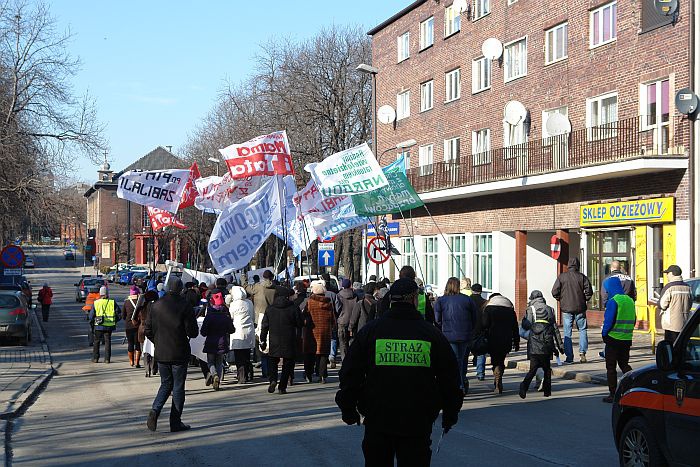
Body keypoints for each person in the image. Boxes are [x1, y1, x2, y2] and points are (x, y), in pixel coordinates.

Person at [335, 278, 463, 467]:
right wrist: (450, 412)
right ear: (414, 300)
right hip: (417, 421)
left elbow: (351, 373)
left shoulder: (371, 332)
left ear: (390, 301)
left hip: (378, 418)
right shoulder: (431, 334)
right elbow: (450, 378)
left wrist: (348, 407)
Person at [145, 278, 199, 432]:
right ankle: (175, 422)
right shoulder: (184, 305)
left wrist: (158, 341)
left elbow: (148, 329)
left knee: (165, 383)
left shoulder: (156, 305)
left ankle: (155, 410)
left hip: (161, 352)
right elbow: (193, 332)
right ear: (181, 289)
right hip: (179, 351)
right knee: (178, 387)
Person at [434, 277, 478, 393]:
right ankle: (462, 380)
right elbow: (475, 317)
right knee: (462, 359)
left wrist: (442, 329)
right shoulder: (467, 300)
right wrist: (471, 330)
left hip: (449, 335)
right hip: (465, 334)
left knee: (454, 360)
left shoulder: (441, 300)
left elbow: (437, 319)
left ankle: (459, 384)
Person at [519, 291, 564, 399]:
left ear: (532, 298)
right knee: (547, 369)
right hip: (546, 343)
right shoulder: (550, 309)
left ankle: (524, 386)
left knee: (533, 369)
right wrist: (560, 345)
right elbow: (555, 329)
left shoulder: (530, 309)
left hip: (534, 344)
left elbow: (526, 326)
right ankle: (547, 391)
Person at [260, 287, 302, 394]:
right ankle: (282, 386)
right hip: (289, 338)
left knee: (272, 360)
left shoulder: (270, 308)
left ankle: (273, 379)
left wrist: (262, 339)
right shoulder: (293, 308)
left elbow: (264, 325)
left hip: (274, 338)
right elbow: (300, 323)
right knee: (288, 363)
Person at [551, 257, 593, 363]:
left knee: (567, 333)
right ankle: (582, 353)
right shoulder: (582, 277)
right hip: (580, 308)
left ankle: (569, 357)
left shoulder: (562, 277)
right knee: (582, 330)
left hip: (566, 308)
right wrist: (584, 299)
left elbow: (554, 291)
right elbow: (589, 291)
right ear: (578, 265)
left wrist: (561, 299)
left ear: (569, 265)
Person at [601, 276, 635, 403]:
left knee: (611, 367)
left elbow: (608, 321)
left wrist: (604, 334)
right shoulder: (630, 300)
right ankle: (634, 384)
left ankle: (612, 393)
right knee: (624, 364)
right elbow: (634, 319)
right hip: (626, 338)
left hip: (613, 339)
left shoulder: (613, 301)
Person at [482, 294, 519, 394]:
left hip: (492, 338)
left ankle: (497, 376)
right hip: (506, 339)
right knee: (501, 359)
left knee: (495, 359)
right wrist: (516, 341)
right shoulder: (510, 310)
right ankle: (499, 377)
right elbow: (515, 327)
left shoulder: (489, 309)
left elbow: (484, 324)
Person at [242, 270, 277, 376]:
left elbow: (245, 287)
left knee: (260, 342)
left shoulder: (258, 287)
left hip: (259, 318)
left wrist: (243, 276)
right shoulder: (276, 288)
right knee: (272, 342)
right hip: (273, 317)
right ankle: (271, 368)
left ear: (263, 277)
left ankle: (264, 366)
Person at [200, 291, 235, 391]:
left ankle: (214, 374)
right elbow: (232, 330)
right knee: (219, 362)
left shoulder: (209, 316)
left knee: (210, 362)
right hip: (222, 342)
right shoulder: (225, 317)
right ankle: (218, 380)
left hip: (210, 342)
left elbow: (203, 332)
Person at [304, 282, 336, 383]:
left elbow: (305, 315)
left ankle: (309, 375)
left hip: (311, 332)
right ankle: (322, 375)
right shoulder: (328, 304)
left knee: (310, 354)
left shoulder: (310, 302)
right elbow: (333, 319)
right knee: (323, 354)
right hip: (325, 332)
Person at [226, 286, 255, 384]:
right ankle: (247, 374)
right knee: (247, 355)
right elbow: (253, 316)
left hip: (237, 332)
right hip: (249, 331)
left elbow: (231, 317)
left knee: (239, 357)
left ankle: (241, 377)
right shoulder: (249, 303)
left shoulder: (233, 305)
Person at [658, 264, 693, 343]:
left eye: (667, 273)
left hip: (671, 324)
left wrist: (658, 304)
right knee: (682, 344)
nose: (666, 275)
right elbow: (690, 304)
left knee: (670, 346)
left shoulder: (669, 287)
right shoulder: (688, 287)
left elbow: (662, 304)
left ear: (671, 274)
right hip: (685, 322)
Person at [88, 286, 121, 364]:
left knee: (96, 342)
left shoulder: (96, 303)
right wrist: (114, 321)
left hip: (98, 325)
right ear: (107, 294)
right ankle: (107, 359)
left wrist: (92, 324)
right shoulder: (112, 302)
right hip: (109, 326)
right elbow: (119, 314)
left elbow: (91, 316)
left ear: (100, 294)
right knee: (107, 342)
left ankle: (95, 358)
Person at [138, 285, 160, 377]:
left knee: (145, 350)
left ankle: (147, 369)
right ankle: (153, 367)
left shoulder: (142, 307)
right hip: (154, 330)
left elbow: (135, 318)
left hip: (142, 329)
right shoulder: (157, 307)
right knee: (154, 349)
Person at [337, 279, 358, 364]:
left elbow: (337, 308)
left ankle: (344, 360)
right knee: (352, 341)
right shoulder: (355, 295)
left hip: (342, 321)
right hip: (353, 320)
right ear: (350, 285)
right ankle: (352, 359)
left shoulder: (339, 296)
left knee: (342, 342)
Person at [469, 284, 488, 381]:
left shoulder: (467, 301)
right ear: (481, 291)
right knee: (481, 352)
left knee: (465, 352)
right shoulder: (485, 303)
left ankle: (463, 375)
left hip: (468, 330)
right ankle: (480, 373)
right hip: (480, 330)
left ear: (471, 290)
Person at [122, 286, 142, 368]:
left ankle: (131, 361)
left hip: (129, 325)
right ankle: (137, 362)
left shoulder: (126, 302)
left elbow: (123, 315)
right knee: (137, 344)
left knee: (130, 343)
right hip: (138, 325)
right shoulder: (140, 302)